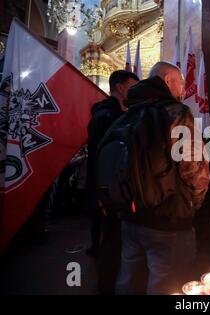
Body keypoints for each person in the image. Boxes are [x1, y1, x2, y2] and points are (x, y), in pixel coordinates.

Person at [114, 62, 210, 295]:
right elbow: (194, 168)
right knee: (169, 284)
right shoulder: (176, 113)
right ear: (168, 80)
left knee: (129, 280)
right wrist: (192, 203)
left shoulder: (128, 114)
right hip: (168, 219)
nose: (184, 88)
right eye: (180, 81)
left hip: (130, 215)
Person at [85, 70, 139, 294]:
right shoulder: (108, 116)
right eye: (132, 86)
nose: (135, 91)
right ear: (120, 87)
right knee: (113, 240)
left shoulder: (112, 113)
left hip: (113, 187)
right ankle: (107, 287)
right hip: (110, 188)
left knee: (116, 239)